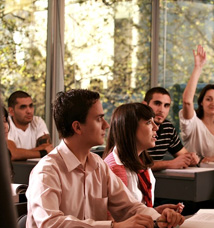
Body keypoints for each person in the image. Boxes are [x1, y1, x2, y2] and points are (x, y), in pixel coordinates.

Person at [26, 89, 184, 228]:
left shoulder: (98, 165)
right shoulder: (46, 171)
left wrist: (159, 218)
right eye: (98, 119)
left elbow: (130, 206)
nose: (106, 125)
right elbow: (51, 224)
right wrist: (114, 226)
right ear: (77, 127)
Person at [103, 102, 184, 214]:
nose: (156, 127)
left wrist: (155, 212)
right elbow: (117, 221)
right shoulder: (114, 169)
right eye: (148, 122)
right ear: (130, 128)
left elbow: (134, 212)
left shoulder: (141, 161)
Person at [143, 87, 199, 171]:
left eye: (166, 105)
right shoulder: (133, 127)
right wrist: (170, 164)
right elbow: (134, 165)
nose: (162, 110)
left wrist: (191, 158)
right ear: (144, 105)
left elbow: (185, 156)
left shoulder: (167, 127)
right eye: (157, 103)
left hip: (156, 180)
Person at [7, 91, 53, 160]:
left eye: (31, 106)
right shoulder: (6, 124)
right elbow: (12, 154)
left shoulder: (37, 121)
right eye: (23, 107)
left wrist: (20, 153)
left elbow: (49, 148)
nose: (29, 111)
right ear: (11, 111)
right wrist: (42, 152)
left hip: (36, 169)